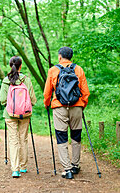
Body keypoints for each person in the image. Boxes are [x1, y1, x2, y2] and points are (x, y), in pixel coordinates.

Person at [43, 47, 90, 179]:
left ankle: (67, 169)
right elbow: (85, 92)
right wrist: (82, 105)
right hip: (77, 106)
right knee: (76, 136)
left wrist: (47, 104)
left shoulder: (53, 70)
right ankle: (75, 165)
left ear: (59, 57)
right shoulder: (78, 69)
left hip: (59, 107)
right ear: (71, 57)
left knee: (61, 137)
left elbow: (47, 92)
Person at [0, 56, 37, 178]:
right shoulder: (26, 80)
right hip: (25, 115)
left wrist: (9, 105)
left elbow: (2, 99)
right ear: (21, 66)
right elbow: (33, 100)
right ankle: (23, 166)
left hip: (10, 114)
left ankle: (15, 169)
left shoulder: (6, 80)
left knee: (13, 140)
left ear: (11, 66)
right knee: (23, 139)